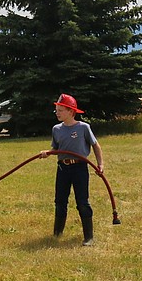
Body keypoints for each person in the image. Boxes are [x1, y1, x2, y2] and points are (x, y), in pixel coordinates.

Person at [38, 93, 104, 246]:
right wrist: (46, 153)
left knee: (82, 202)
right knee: (60, 201)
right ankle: (57, 234)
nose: (57, 113)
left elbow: (95, 145)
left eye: (61, 110)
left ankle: (89, 237)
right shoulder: (56, 129)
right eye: (57, 110)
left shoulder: (83, 128)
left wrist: (100, 164)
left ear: (71, 112)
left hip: (80, 168)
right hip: (62, 169)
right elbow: (55, 148)